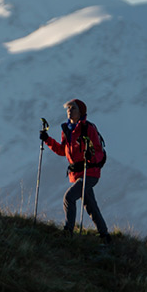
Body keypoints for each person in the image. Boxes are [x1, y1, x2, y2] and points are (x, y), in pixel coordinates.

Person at [40, 98, 110, 242]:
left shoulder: (88, 128)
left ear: (81, 112)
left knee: (69, 197)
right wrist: (47, 140)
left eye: (73, 108)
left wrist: (91, 157)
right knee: (90, 205)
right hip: (78, 174)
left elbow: (99, 151)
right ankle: (105, 235)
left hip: (89, 172)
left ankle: (68, 232)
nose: (69, 111)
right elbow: (62, 151)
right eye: (68, 108)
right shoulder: (67, 130)